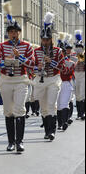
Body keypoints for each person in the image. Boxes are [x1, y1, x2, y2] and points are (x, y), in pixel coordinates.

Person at [0, 3, 35, 152]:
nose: (13, 34)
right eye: (11, 32)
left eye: (16, 32)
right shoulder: (2, 46)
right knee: (8, 110)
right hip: (6, 79)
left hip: (21, 79)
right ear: (8, 33)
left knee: (20, 108)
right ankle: (10, 141)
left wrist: (20, 57)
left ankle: (20, 142)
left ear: (19, 32)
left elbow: (32, 63)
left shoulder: (27, 46)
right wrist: (6, 61)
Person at [33, 12, 66, 141]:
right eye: (43, 40)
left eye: (47, 40)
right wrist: (38, 68)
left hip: (53, 79)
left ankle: (52, 131)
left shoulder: (58, 51)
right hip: (40, 79)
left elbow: (62, 67)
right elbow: (31, 67)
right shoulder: (36, 51)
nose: (45, 42)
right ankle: (47, 130)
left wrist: (50, 62)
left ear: (51, 39)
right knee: (44, 107)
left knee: (52, 104)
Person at [56, 37, 75, 131]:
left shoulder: (70, 62)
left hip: (66, 83)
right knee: (58, 105)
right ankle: (59, 123)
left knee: (64, 103)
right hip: (55, 83)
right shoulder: (53, 62)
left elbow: (68, 72)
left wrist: (61, 65)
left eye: (61, 53)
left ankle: (64, 122)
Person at [73, 30, 85, 120]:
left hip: (83, 75)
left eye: (80, 47)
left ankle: (82, 113)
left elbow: (82, 61)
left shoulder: (83, 55)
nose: (78, 48)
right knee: (77, 95)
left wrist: (80, 56)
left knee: (82, 94)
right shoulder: (73, 55)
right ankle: (79, 114)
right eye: (77, 46)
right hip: (75, 76)